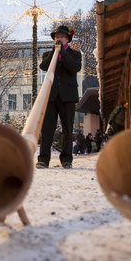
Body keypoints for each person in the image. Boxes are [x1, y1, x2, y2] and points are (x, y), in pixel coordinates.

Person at [36, 25, 82, 169]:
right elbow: (44, 66)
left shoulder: (75, 54)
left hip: (68, 96)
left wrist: (63, 51)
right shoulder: (47, 54)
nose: (59, 38)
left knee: (67, 128)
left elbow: (74, 68)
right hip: (51, 96)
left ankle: (66, 159)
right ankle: (43, 159)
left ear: (67, 39)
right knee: (47, 129)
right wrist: (55, 53)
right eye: (57, 37)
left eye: (62, 36)